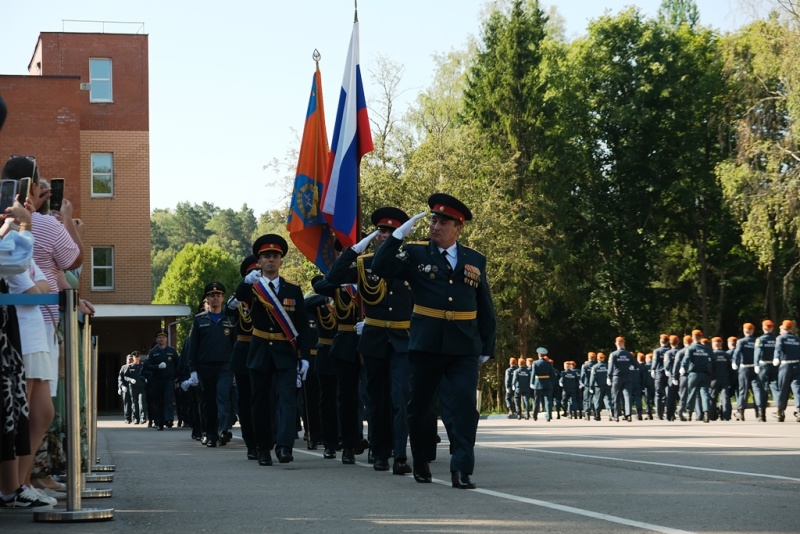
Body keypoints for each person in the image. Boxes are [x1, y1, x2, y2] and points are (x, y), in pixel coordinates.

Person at [371, 193, 496, 490]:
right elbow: (380, 266)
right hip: (426, 344)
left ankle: (461, 469)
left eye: (443, 222)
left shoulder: (474, 260)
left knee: (464, 406)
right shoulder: (415, 254)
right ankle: (423, 458)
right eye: (434, 221)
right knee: (421, 407)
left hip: (463, 346)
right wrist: (397, 236)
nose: (436, 226)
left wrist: (487, 346)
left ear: (458, 228)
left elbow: (484, 304)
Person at [326, 207, 414, 474]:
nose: (385, 235)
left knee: (400, 396)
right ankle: (379, 451)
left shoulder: (411, 260)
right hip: (375, 338)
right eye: (381, 231)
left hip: (403, 337)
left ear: (401, 234)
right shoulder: (363, 264)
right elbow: (334, 278)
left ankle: (400, 454)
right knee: (376, 399)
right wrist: (354, 250)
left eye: (391, 231)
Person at [237, 235, 310, 466]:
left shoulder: (293, 289)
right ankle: (262, 448)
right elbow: (239, 297)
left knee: (287, 400)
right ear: (259, 261)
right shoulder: (253, 287)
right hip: (260, 351)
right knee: (261, 402)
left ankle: (284, 446)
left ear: (281, 261)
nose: (271, 260)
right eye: (266, 256)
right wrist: (246, 282)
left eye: (275, 256)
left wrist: (305, 357)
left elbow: (301, 325)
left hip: (285, 351)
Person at [185, 282, 236, 448]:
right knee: (208, 401)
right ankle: (210, 433)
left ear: (223, 298)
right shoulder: (199, 320)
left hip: (225, 366)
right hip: (205, 366)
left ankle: (224, 430)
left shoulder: (229, 319)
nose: (215, 298)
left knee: (223, 396)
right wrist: (192, 370)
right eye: (212, 296)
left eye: (218, 295)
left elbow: (235, 344)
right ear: (207, 299)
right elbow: (193, 347)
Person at [227, 255, 258, 459]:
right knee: (246, 402)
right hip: (245, 354)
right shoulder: (237, 302)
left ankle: (267, 437)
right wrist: (243, 285)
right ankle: (251, 443)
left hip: (266, 352)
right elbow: (228, 309)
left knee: (266, 399)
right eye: (251, 274)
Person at [304, 276, 339, 459]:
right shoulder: (320, 303)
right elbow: (305, 304)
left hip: (345, 353)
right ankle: (327, 441)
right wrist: (327, 296)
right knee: (325, 401)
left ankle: (348, 439)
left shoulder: (347, 296)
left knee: (347, 399)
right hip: (325, 354)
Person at [144, 329, 180, 431]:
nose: (161, 339)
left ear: (166, 339)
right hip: (157, 380)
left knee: (168, 399)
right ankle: (159, 422)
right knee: (158, 401)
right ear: (156, 339)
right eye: (159, 337)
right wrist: (157, 367)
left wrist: (178, 378)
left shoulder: (172, 351)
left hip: (169, 379)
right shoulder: (152, 352)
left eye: (163, 337)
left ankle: (169, 419)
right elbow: (147, 366)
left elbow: (178, 365)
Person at [732, 323, 764, 421]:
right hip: (755, 368)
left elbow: (737, 352)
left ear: (744, 330)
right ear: (752, 330)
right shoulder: (756, 341)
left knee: (743, 391)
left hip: (744, 368)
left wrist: (734, 362)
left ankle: (741, 412)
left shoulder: (741, 341)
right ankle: (760, 412)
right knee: (757, 390)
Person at [680, 330, 712, 422]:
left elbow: (686, 359)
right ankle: (706, 412)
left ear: (692, 337)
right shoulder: (706, 348)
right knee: (705, 393)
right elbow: (713, 358)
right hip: (704, 374)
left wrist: (682, 367)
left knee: (692, 394)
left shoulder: (690, 348)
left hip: (693, 374)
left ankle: (689, 413)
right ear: (701, 337)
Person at [774, 320, 800, 422]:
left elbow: (778, 349)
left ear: (783, 328)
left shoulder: (781, 338)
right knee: (797, 388)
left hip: (785, 365)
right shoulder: (797, 339)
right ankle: (799, 410)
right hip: (797, 365)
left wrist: (776, 358)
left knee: (783, 389)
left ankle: (780, 411)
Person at [754, 319, 779, 416]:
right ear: (772, 328)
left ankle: (762, 413)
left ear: (763, 328)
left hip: (763, 366)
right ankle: (779, 410)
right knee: (775, 388)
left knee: (762, 389)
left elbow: (757, 353)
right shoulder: (776, 339)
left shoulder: (761, 339)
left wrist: (756, 364)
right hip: (774, 366)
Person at [607, 337, 634, 422]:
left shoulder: (613, 354)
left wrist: (608, 377)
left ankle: (616, 415)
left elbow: (610, 367)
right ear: (623, 343)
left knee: (615, 396)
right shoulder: (628, 354)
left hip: (617, 377)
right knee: (627, 396)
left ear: (616, 343)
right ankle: (628, 414)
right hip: (627, 377)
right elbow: (635, 365)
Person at [709, 337, 732, 421]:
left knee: (712, 397)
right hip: (725, 377)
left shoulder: (711, 355)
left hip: (714, 379)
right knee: (725, 397)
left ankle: (712, 415)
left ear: (713, 344)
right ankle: (726, 415)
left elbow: (709, 367)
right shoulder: (726, 355)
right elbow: (730, 368)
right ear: (721, 344)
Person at [531, 348, 554, 422]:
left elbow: (533, 374)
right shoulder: (548, 363)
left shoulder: (535, 363)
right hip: (547, 383)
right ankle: (549, 416)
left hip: (538, 383)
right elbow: (552, 374)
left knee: (536, 400)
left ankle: (535, 415)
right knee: (548, 400)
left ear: (538, 354)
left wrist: (531, 382)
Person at [589, 353, 611, 420]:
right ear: (604, 358)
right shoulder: (608, 366)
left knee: (597, 400)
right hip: (607, 385)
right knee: (607, 399)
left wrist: (591, 386)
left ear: (597, 358)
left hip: (598, 386)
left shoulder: (595, 367)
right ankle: (610, 412)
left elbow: (592, 377)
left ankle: (597, 415)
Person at [579, 352, 597, 420]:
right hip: (596, 385)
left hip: (587, 384)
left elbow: (582, 376)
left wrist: (581, 382)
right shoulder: (596, 365)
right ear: (595, 358)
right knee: (595, 399)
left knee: (586, 400)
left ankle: (587, 414)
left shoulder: (585, 365)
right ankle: (596, 413)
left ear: (588, 357)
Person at [118, 354, 135, 423]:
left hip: (134, 388)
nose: (130, 361)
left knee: (134, 403)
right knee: (127, 404)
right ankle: (127, 418)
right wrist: (121, 387)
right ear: (126, 360)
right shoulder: (123, 367)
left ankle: (134, 417)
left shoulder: (135, 367)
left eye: (131, 359)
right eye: (129, 359)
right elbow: (120, 378)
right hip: (126, 387)